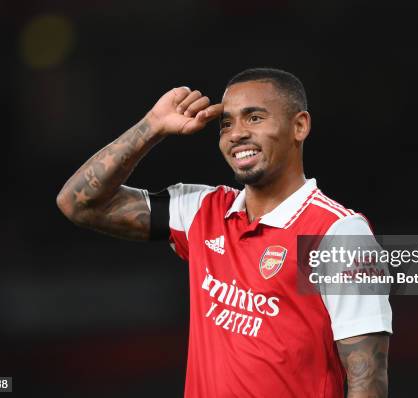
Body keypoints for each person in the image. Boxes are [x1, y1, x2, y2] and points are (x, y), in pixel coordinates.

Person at [56, 67, 392, 397]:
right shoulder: (201, 211)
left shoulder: (338, 233)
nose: (236, 133)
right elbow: (78, 203)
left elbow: (367, 379)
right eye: (226, 123)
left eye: (254, 118)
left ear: (299, 126)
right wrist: (153, 126)